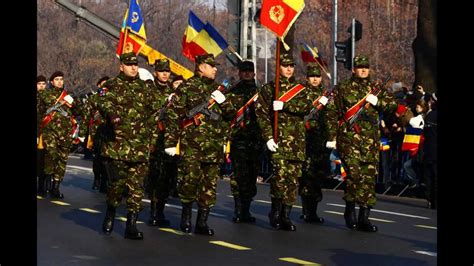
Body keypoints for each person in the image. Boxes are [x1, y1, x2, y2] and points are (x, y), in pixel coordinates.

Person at [98, 52, 164, 240]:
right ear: (121, 67)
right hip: (117, 147)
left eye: (135, 64)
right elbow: (100, 101)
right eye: (129, 64)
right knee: (116, 186)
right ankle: (111, 212)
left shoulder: (145, 88)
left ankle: (131, 225)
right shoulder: (111, 86)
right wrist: (111, 114)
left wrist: (152, 141)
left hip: (140, 147)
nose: (134, 68)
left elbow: (155, 113)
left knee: (136, 188)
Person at [327, 55, 396, 232]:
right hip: (349, 139)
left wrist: (378, 102)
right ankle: (350, 210)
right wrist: (332, 137)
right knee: (354, 176)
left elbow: (393, 106)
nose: (364, 70)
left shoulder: (376, 89)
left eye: (366, 67)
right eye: (360, 67)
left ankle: (365, 216)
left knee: (368, 179)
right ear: (353, 69)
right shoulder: (343, 88)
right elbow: (332, 113)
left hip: (370, 142)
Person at [167, 53, 234, 236]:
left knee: (209, 185)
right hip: (192, 145)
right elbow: (174, 116)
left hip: (213, 146)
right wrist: (171, 142)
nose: (215, 69)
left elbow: (230, 115)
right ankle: (186, 218)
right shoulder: (187, 87)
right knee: (189, 181)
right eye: (212, 66)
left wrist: (223, 101)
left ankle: (202, 222)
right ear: (201, 67)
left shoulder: (218, 90)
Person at [256, 53, 320, 231]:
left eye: (291, 65)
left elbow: (307, 106)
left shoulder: (301, 89)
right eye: (285, 65)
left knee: (292, 181)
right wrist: (268, 137)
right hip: (278, 141)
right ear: (279, 68)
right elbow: (261, 114)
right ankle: (275, 212)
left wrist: (285, 106)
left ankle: (286, 215)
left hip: (297, 143)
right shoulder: (270, 89)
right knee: (280, 178)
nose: (289, 68)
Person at [226, 60, 263, 223]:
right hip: (239, 139)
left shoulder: (260, 92)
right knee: (239, 177)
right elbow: (227, 115)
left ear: (254, 73)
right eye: (244, 71)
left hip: (255, 140)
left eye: (250, 71)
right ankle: (239, 210)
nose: (247, 73)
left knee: (252, 176)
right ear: (239, 73)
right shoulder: (233, 92)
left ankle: (246, 209)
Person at [37, 71, 83, 199]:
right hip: (50, 132)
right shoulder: (44, 95)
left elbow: (78, 112)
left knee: (62, 160)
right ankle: (46, 182)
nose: (59, 81)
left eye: (61, 79)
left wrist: (74, 102)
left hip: (65, 134)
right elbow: (40, 113)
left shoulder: (68, 96)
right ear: (51, 82)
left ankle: (56, 187)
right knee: (50, 156)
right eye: (56, 79)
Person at [298, 63, 333, 224]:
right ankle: (307, 211)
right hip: (306, 142)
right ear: (307, 78)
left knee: (318, 177)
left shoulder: (326, 96)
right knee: (307, 177)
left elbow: (331, 118)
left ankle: (313, 211)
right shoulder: (301, 94)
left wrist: (332, 138)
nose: (315, 79)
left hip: (321, 144)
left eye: (317, 77)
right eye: (312, 77)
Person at [146, 58, 175, 227]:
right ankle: (153, 212)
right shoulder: (149, 89)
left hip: (168, 140)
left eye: (167, 71)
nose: (165, 74)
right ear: (156, 72)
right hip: (153, 139)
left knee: (166, 177)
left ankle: (160, 211)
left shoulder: (173, 90)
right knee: (154, 177)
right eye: (162, 71)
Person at [88, 76, 110, 193]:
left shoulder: (112, 97)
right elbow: (88, 113)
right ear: (99, 85)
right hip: (97, 132)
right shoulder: (95, 98)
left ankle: (104, 182)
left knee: (107, 158)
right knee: (97, 159)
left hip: (108, 132)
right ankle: (97, 178)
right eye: (103, 84)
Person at [423, 93, 437, 209]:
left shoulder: (430, 115)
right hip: (431, 149)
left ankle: (430, 200)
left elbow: (425, 133)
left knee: (429, 176)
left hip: (429, 149)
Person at [37, 75, 48, 196]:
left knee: (42, 160)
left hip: (45, 133)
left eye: (43, 83)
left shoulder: (49, 98)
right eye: (39, 83)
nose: (41, 86)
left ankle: (41, 186)